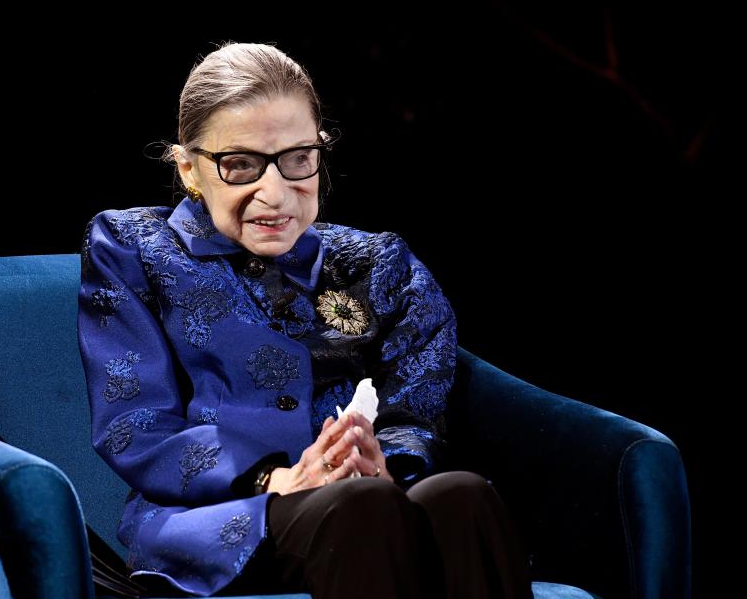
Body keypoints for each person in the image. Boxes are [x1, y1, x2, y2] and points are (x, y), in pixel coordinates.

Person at [77, 42, 532, 598]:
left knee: (461, 495)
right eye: (239, 164)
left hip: (371, 499)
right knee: (363, 508)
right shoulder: (135, 250)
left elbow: (416, 400)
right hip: (221, 520)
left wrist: (385, 461)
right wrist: (277, 480)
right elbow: (134, 426)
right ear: (190, 168)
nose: (274, 192)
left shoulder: (379, 264)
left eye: (297, 159)